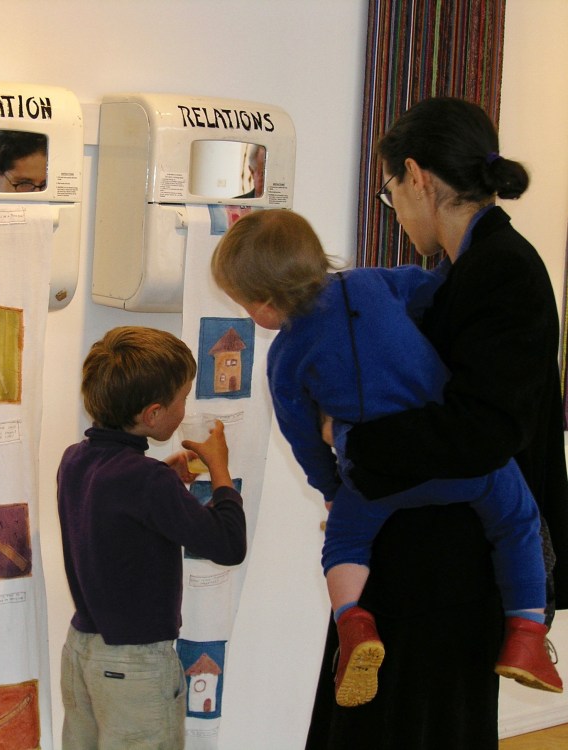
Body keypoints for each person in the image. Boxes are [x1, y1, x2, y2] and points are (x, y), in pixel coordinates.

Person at [210, 209, 560, 711]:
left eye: (245, 304)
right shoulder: (371, 284)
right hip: (459, 463)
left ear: (266, 302)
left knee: (345, 544)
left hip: (375, 477)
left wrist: (334, 490)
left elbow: (303, 439)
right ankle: (526, 632)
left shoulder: (285, 356)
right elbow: (434, 291)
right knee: (519, 521)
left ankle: (353, 622)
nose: (249, 317)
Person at [305, 97, 568, 749]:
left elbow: (483, 429)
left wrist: (360, 445)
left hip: (457, 566)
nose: (393, 208)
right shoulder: (459, 274)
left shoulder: (503, 271)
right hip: (426, 549)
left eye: (389, 190)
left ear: (417, 176)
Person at [57, 326, 248, 749]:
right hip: (136, 665)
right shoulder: (146, 481)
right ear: (154, 413)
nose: (186, 407)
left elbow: (121, 514)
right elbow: (229, 544)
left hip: (81, 653)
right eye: (183, 398)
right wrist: (220, 470)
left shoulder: (75, 460)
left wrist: (166, 477)